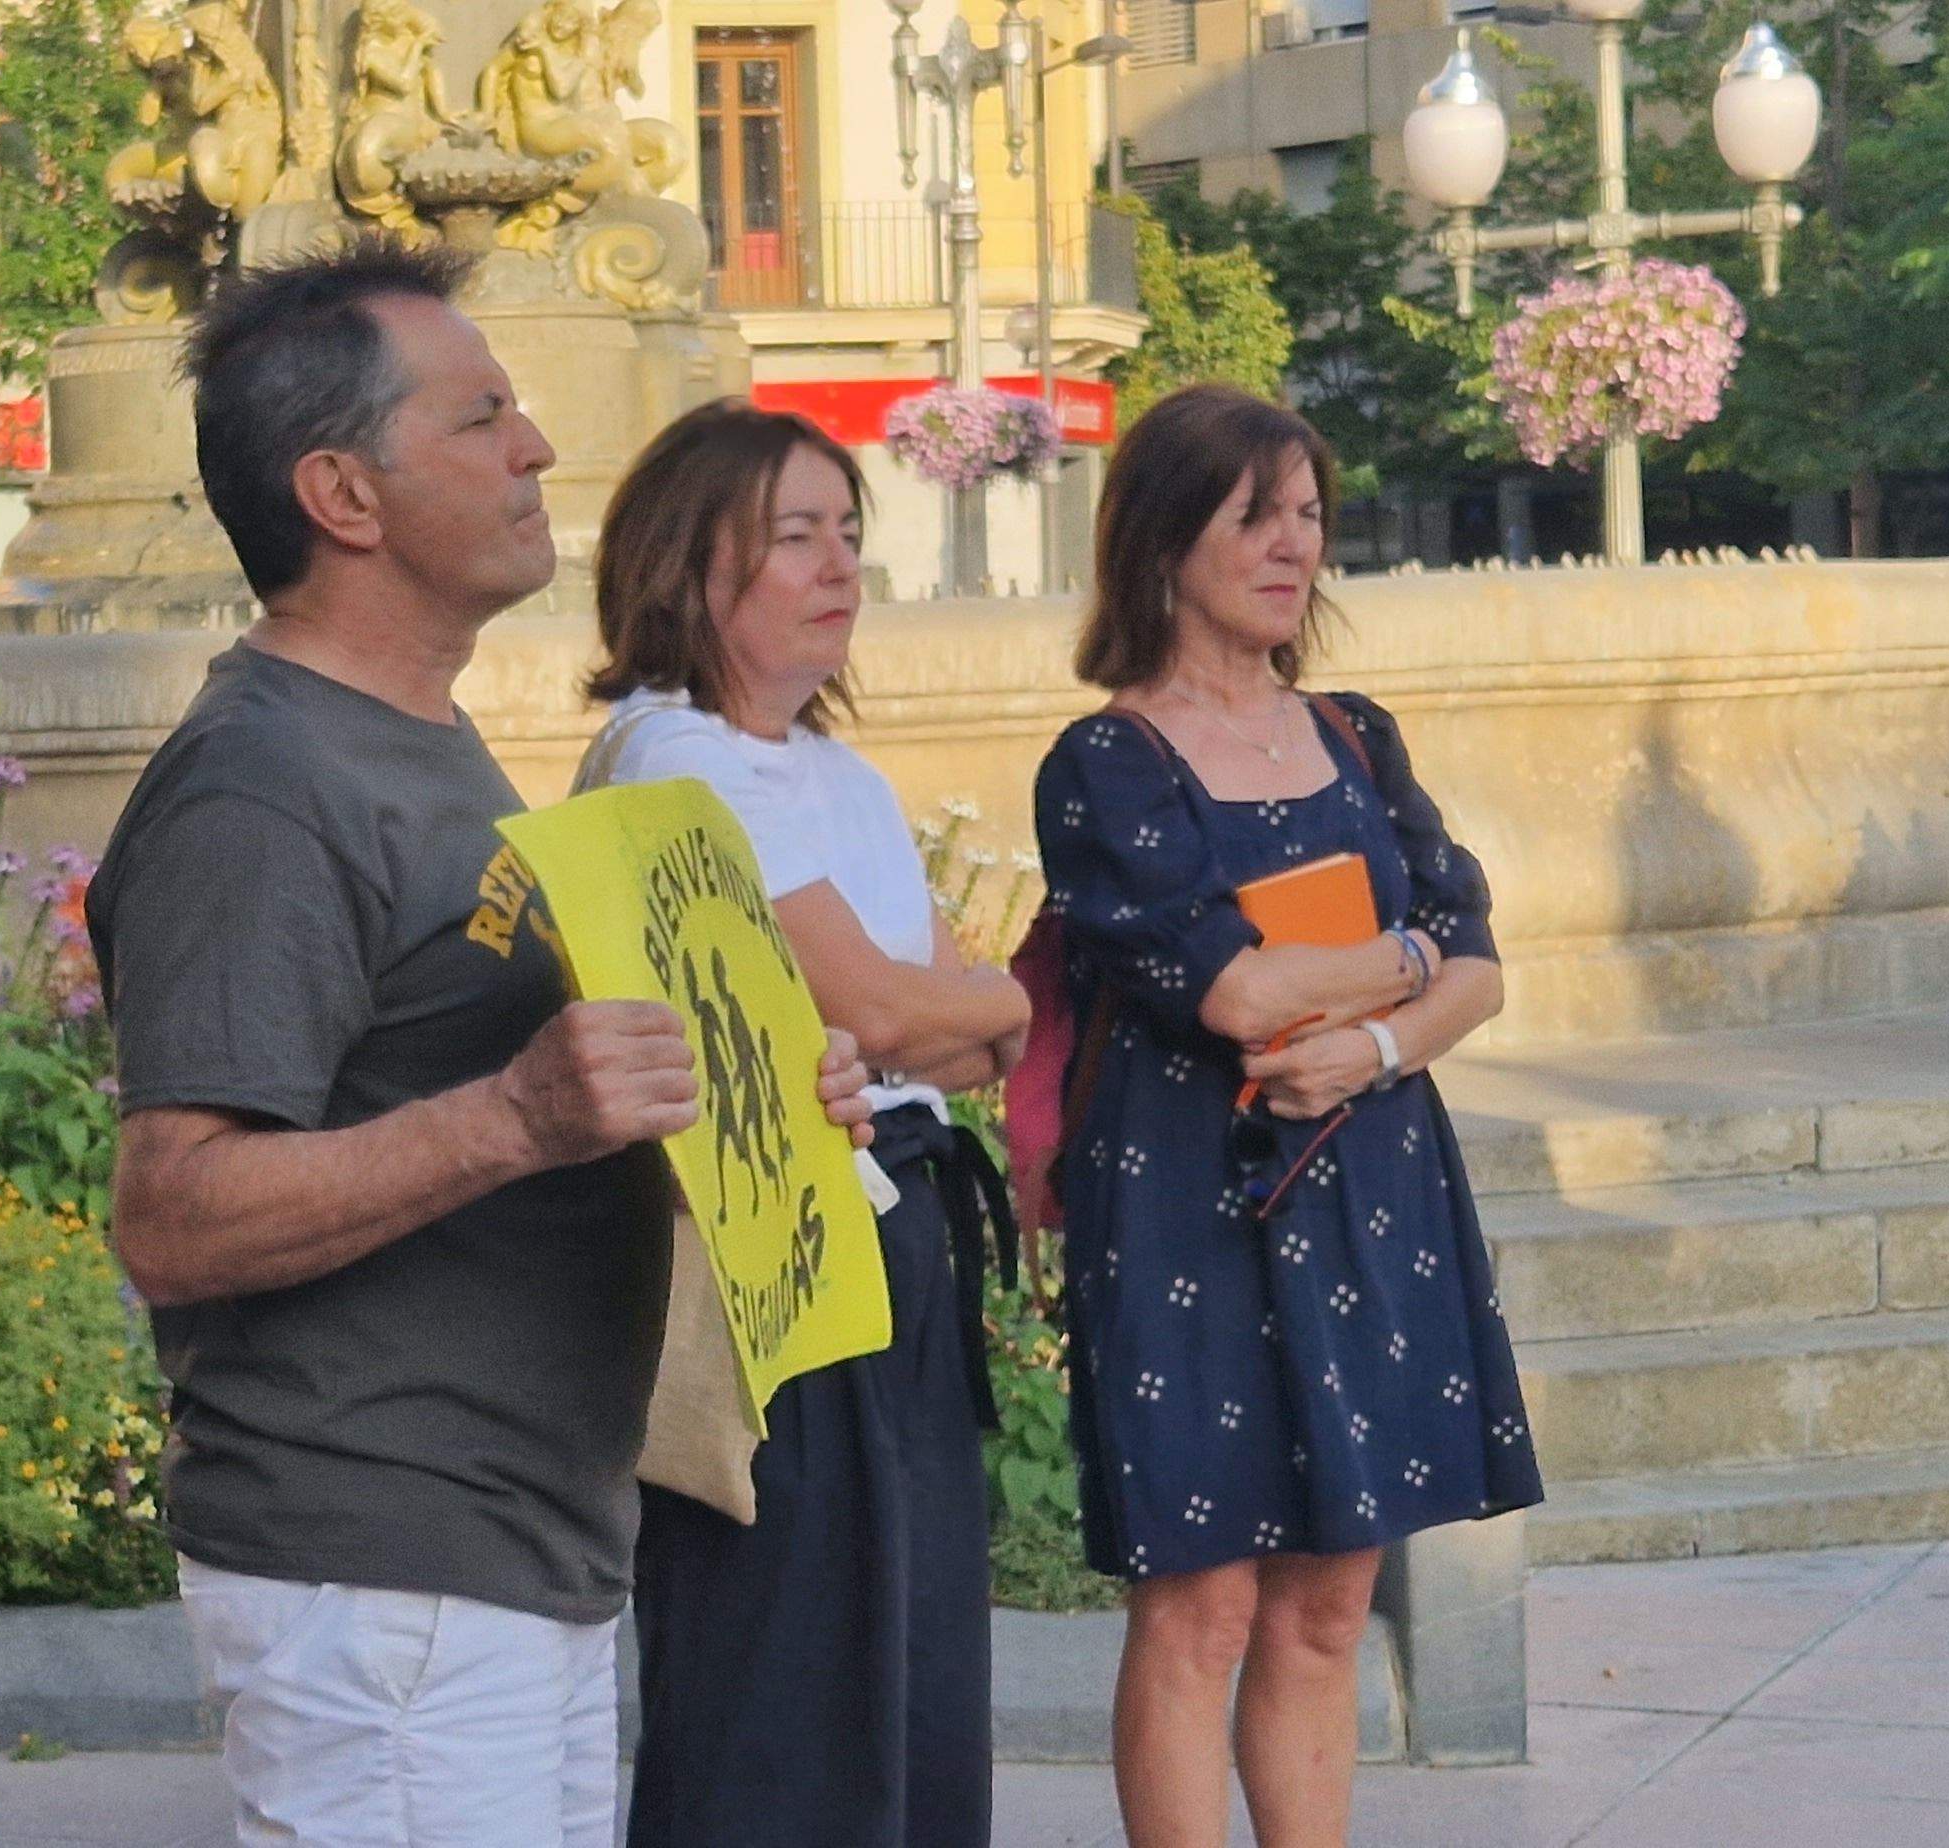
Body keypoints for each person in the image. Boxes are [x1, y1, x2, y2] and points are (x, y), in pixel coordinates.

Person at [88, 239, 874, 1848]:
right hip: (386, 1575)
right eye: (481, 418)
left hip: (511, 1558)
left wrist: (750, 1098)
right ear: (343, 494)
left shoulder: (424, 747)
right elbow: (171, 1216)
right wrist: (515, 1117)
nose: (535, 449)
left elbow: (517, 1089)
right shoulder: (263, 785)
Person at [1030, 384, 1539, 1848]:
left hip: (1372, 1182)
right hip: (1190, 1191)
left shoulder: (1356, 734)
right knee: (1202, 1605)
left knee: (1326, 1601)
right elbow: (1237, 995)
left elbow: (1485, 974)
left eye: (1308, 514)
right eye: (1256, 513)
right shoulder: (1108, 762)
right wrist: (1409, 960)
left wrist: (1383, 1035)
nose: (1291, 543)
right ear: (1163, 534)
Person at [580, 400, 1031, 1848]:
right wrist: (1001, 1008)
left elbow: (923, 1034)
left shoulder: (845, 778)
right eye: (795, 536)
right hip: (771, 1246)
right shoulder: (674, 760)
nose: (839, 567)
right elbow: (898, 1017)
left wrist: (959, 1015)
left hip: (889, 1223)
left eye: (850, 533)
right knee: (782, 1667)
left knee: (912, 1651)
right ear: (687, 563)